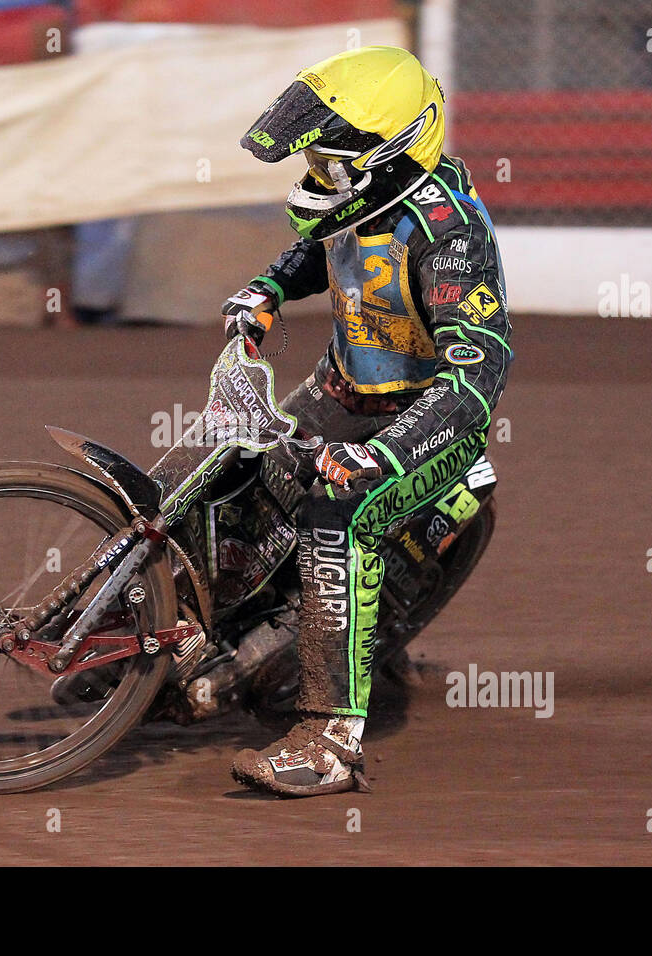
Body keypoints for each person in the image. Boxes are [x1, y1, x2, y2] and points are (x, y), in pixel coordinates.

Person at [222, 45, 512, 797]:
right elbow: (325, 245)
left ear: (389, 156)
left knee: (335, 520)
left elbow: (477, 378)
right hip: (341, 390)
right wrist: (268, 289)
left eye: (330, 166)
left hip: (426, 424)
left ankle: (328, 742)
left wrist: (383, 458)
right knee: (228, 467)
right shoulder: (368, 199)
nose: (319, 178)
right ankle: (161, 649)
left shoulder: (450, 236)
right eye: (314, 163)